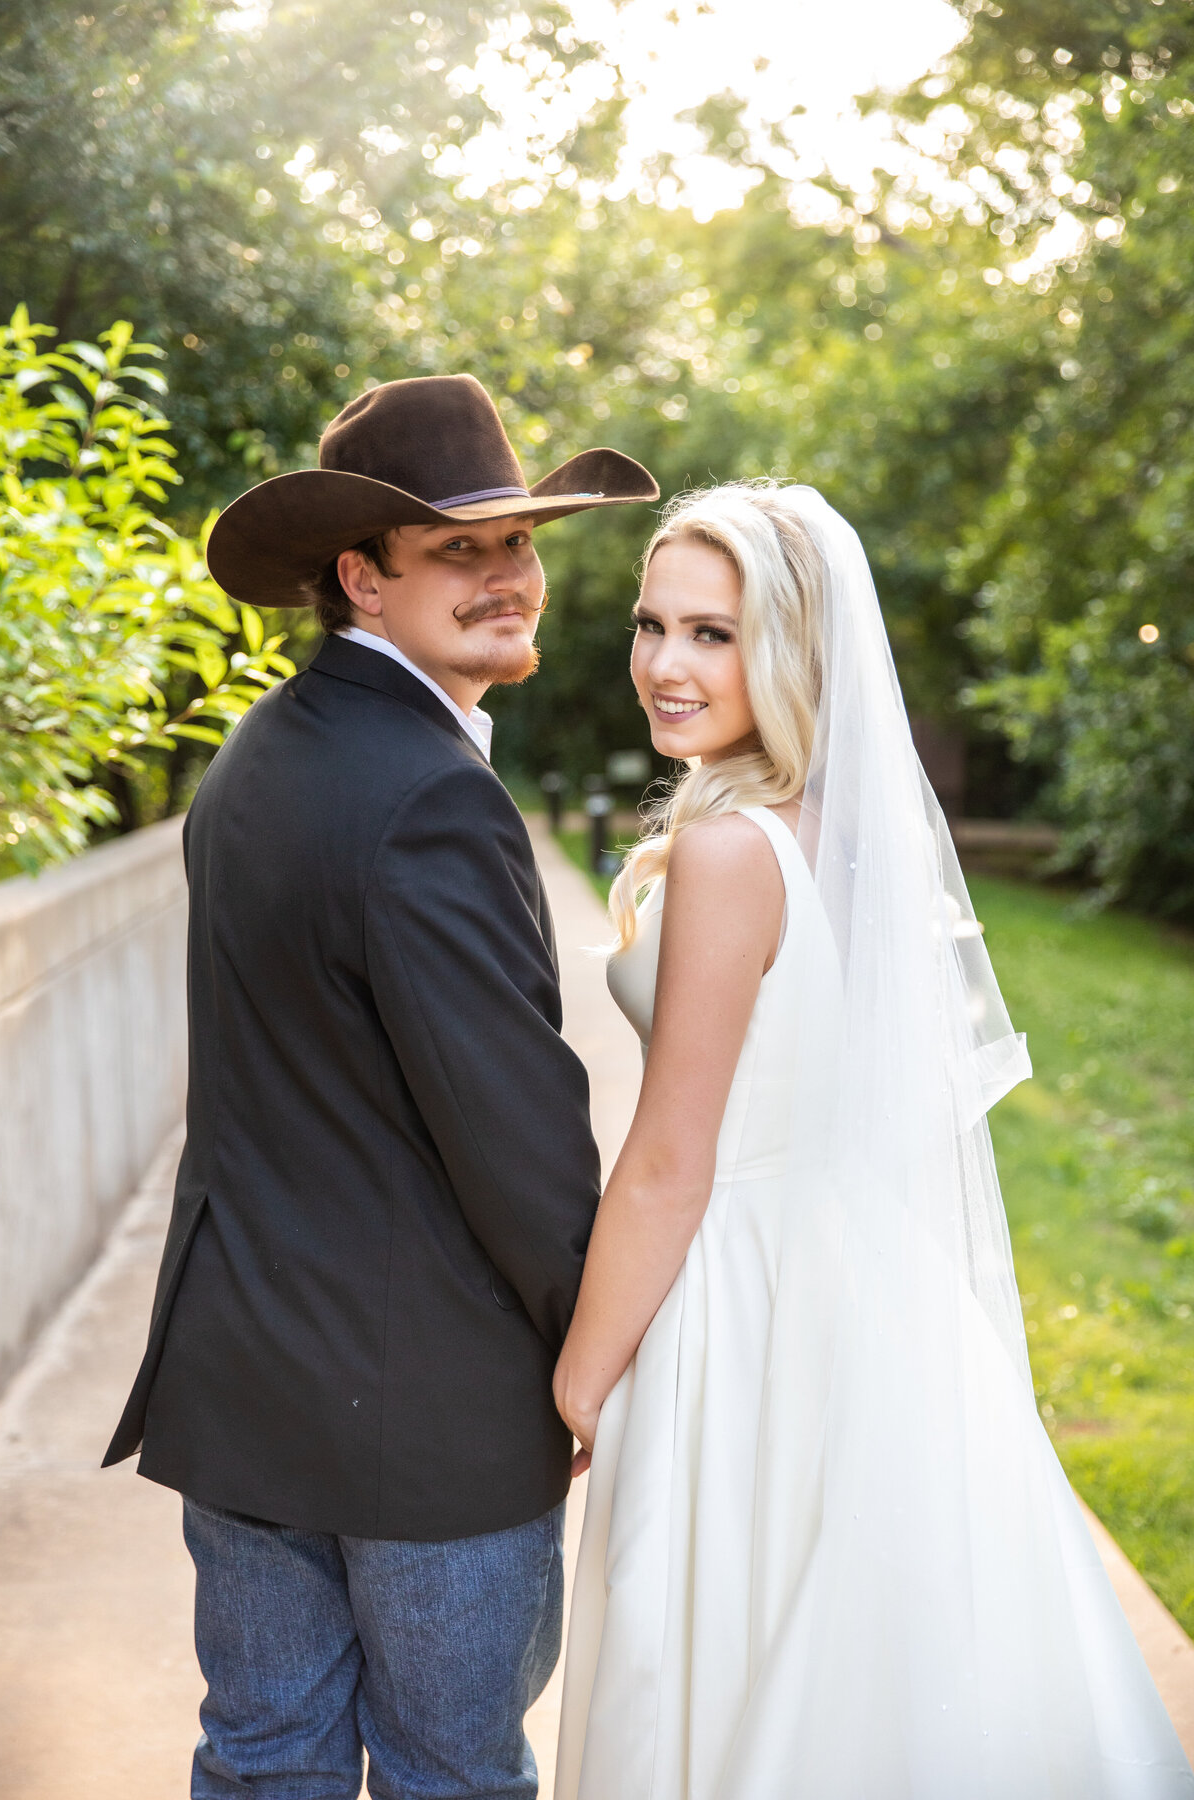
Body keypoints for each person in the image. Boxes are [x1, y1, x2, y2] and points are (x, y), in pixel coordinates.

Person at [553, 482, 1194, 1800]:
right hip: (857, 1274)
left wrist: (577, 1375)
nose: (665, 664)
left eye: (713, 634)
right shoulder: (820, 835)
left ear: (790, 650)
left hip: (746, 1292)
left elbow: (673, 1164)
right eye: (652, 625)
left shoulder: (735, 855)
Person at [102, 372, 657, 1800]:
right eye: (460, 550)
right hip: (428, 1422)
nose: (509, 578)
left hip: (242, 1388)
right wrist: (594, 1349)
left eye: (520, 543)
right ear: (361, 576)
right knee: (448, 1776)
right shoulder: (432, 795)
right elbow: (517, 1140)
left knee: (264, 1759)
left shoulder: (255, 758)